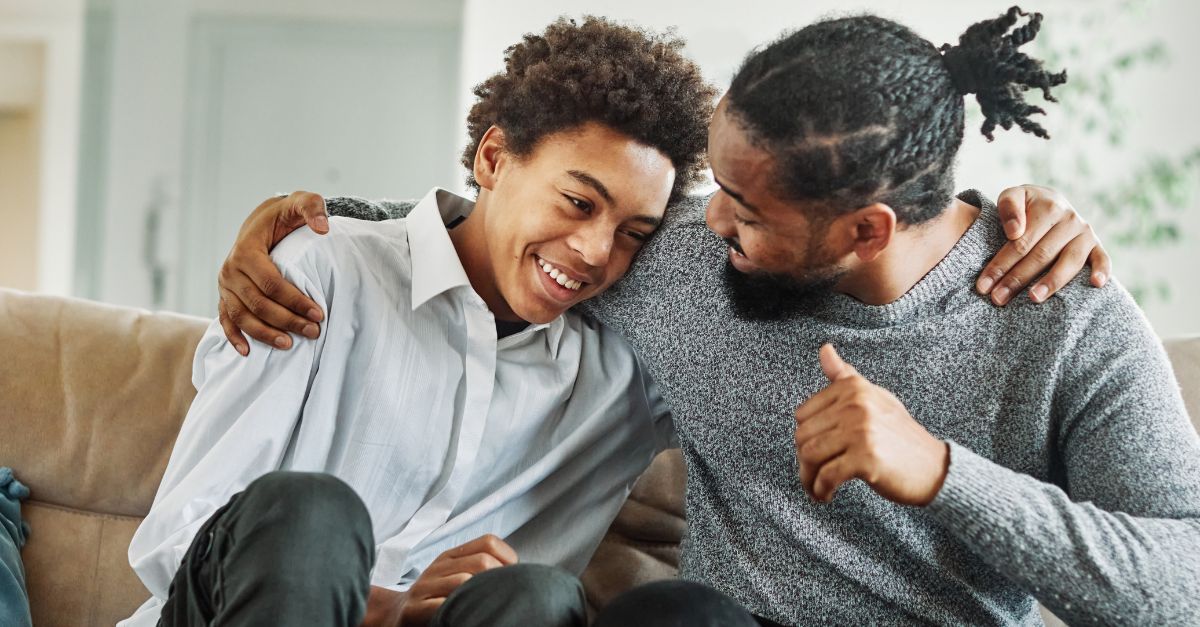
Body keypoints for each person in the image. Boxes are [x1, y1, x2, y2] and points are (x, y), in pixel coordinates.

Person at [219, 7, 1200, 626]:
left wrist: (942, 472)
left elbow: (1182, 585)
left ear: (864, 230)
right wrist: (314, 222)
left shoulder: (1063, 314)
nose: (706, 224)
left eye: (747, 209)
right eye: (715, 188)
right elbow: (512, 227)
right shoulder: (686, 259)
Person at [122, 17, 735, 627]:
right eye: (578, 203)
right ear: (494, 159)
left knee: (537, 595)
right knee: (312, 512)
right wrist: (383, 608)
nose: (597, 252)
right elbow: (179, 537)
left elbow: (756, 261)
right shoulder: (321, 271)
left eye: (633, 233)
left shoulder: (633, 371)